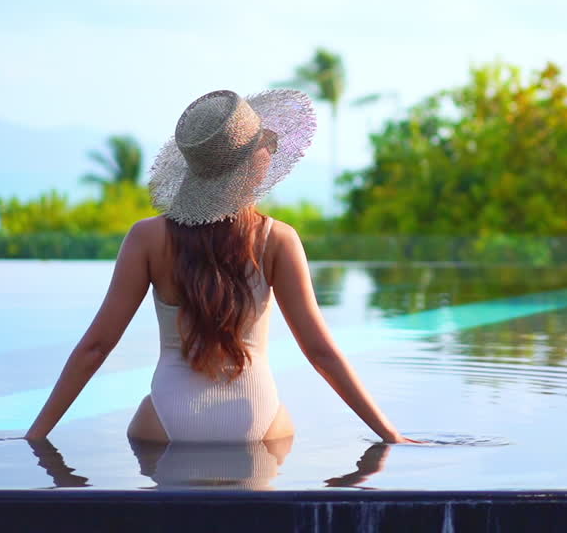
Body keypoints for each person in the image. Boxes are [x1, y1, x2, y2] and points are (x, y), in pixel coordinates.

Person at [23, 89, 418, 446]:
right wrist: (390, 435)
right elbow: (321, 353)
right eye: (265, 144)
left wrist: (35, 437)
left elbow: (95, 347)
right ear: (253, 164)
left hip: (167, 419)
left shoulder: (146, 238)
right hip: (256, 419)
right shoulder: (278, 240)